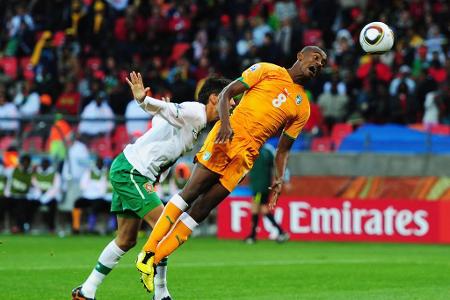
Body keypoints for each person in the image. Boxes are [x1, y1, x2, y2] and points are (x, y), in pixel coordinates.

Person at [137, 46, 327, 292]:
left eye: (323, 63)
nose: (319, 64)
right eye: (316, 57)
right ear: (300, 56)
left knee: (202, 211)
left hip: (247, 157)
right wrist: (225, 124)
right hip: (226, 138)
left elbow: (283, 149)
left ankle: (151, 261)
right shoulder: (267, 70)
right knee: (190, 194)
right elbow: (227, 92)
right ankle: (148, 251)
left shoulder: (303, 107)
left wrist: (279, 178)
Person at [71, 73, 231, 300]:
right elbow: (166, 112)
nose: (233, 103)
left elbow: (163, 119)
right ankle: (161, 293)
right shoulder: (196, 112)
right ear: (215, 98)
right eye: (230, 97)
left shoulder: (197, 121)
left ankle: (87, 290)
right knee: (163, 226)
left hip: (132, 170)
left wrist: (161, 110)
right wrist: (144, 101)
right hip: (133, 171)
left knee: (126, 239)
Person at [245, 144, 289, 244]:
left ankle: (252, 236)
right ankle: (281, 232)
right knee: (263, 209)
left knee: (255, 207)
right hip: (264, 186)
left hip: (259, 187)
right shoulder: (267, 151)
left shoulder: (255, 150)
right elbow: (277, 163)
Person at [71, 157, 111, 234]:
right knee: (77, 203)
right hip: (87, 195)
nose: (99, 164)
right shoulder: (89, 172)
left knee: (96, 207)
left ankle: (90, 228)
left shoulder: (105, 173)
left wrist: (93, 185)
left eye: (101, 163)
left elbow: (104, 187)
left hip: (99, 197)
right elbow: (83, 185)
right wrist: (94, 187)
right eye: (98, 162)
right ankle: (76, 227)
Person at [31, 157, 61, 233]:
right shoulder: (36, 174)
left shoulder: (55, 174)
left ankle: (51, 228)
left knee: (52, 207)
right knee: (29, 206)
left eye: (46, 164)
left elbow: (56, 188)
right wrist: (40, 195)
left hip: (50, 197)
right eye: (43, 164)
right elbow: (34, 185)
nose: (44, 165)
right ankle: (29, 225)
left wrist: (45, 196)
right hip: (38, 197)